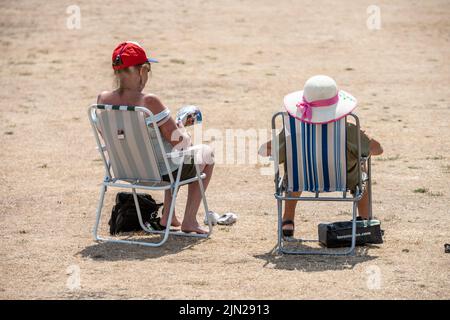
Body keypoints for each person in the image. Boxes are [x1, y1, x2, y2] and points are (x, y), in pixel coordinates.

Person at [97, 41, 215, 234]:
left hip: (124, 170)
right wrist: (182, 128)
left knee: (164, 152)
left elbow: (109, 137)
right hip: (158, 174)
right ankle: (190, 220)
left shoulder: (102, 100)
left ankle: (169, 216)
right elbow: (179, 142)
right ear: (142, 71)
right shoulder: (149, 102)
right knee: (206, 154)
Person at [259, 75, 383, 237]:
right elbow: (378, 149)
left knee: (296, 169)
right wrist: (363, 140)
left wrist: (274, 143)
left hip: (301, 179)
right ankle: (366, 221)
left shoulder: (292, 130)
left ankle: (288, 220)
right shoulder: (348, 130)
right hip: (344, 179)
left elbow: (266, 151)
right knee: (361, 170)